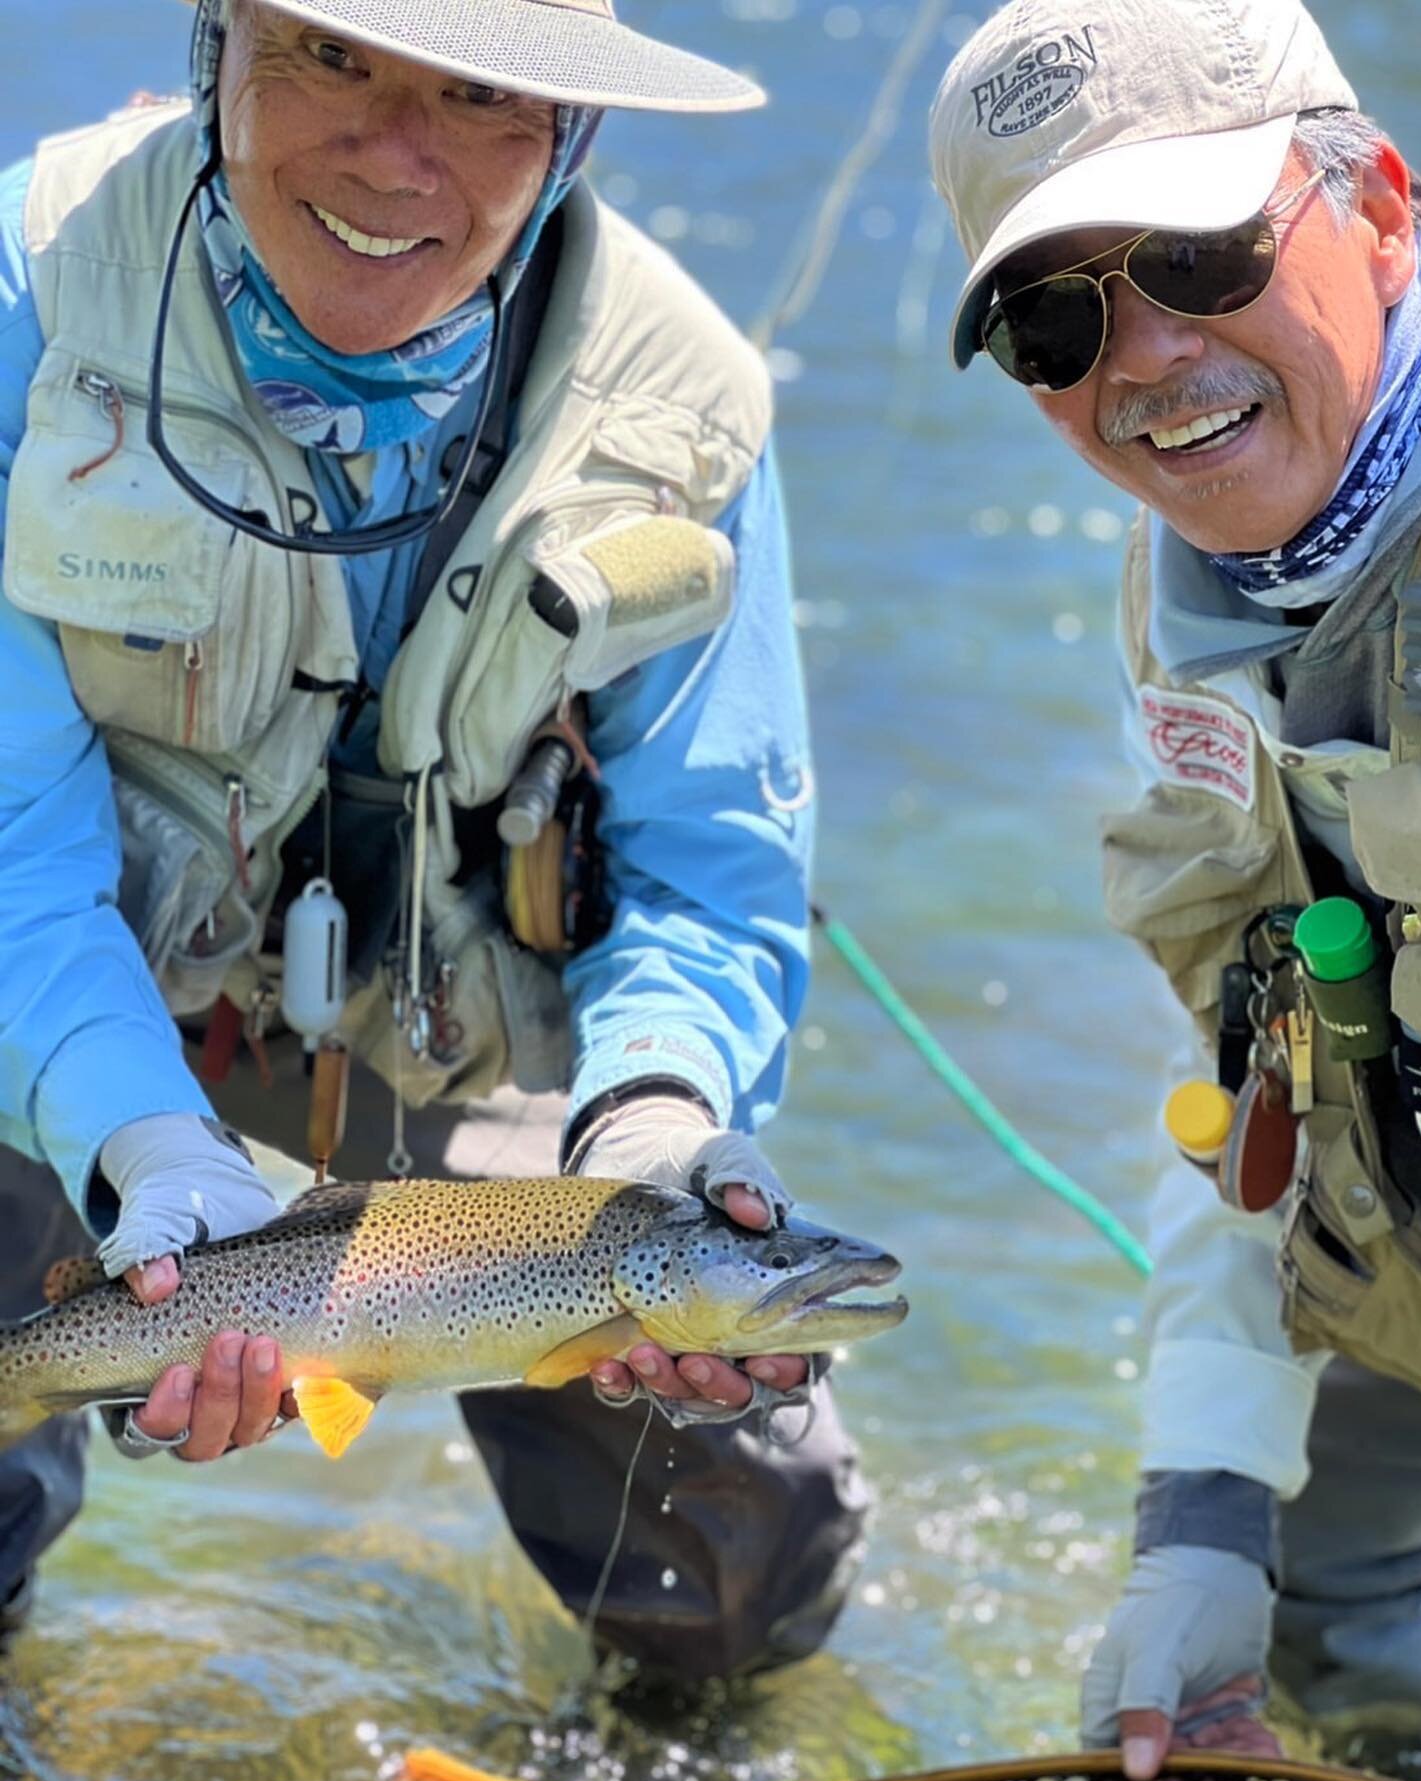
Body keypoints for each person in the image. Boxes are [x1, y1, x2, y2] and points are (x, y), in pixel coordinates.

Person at [0, 0, 868, 1682]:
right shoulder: (26, 297)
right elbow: (8, 843)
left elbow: (708, 880)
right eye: (331, 56)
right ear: (212, 44)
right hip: (54, 976)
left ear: (572, 131)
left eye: (483, 92)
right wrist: (146, 1146)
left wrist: (662, 1114)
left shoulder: (688, 406)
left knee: (744, 1561)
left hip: (447, 1035)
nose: (397, 155)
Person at [929, 0, 1421, 1772]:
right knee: (1322, 1646)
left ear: (1380, 206)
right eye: (1058, 316)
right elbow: (1265, 1078)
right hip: (1399, 1251)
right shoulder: (1194, 591)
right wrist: (1203, 1514)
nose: (1143, 357)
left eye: (1204, 254)